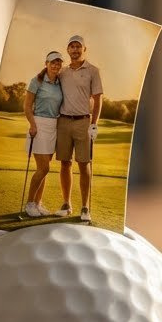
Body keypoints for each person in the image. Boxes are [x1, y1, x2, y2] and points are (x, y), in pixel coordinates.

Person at [55, 34, 103, 224]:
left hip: (83, 121)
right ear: (67, 50)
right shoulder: (63, 72)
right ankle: (66, 204)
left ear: (84, 49)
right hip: (64, 122)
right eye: (72, 46)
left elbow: (98, 99)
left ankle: (85, 207)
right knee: (65, 163)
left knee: (84, 164)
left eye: (78, 47)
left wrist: (94, 123)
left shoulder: (93, 71)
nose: (75, 50)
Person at [22, 50, 64, 217]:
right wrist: (32, 124)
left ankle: (38, 204)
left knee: (45, 170)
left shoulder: (60, 82)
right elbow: (26, 106)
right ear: (46, 64)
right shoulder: (37, 81)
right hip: (38, 125)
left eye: (58, 62)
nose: (56, 65)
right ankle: (30, 204)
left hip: (53, 126)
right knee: (43, 168)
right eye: (53, 62)